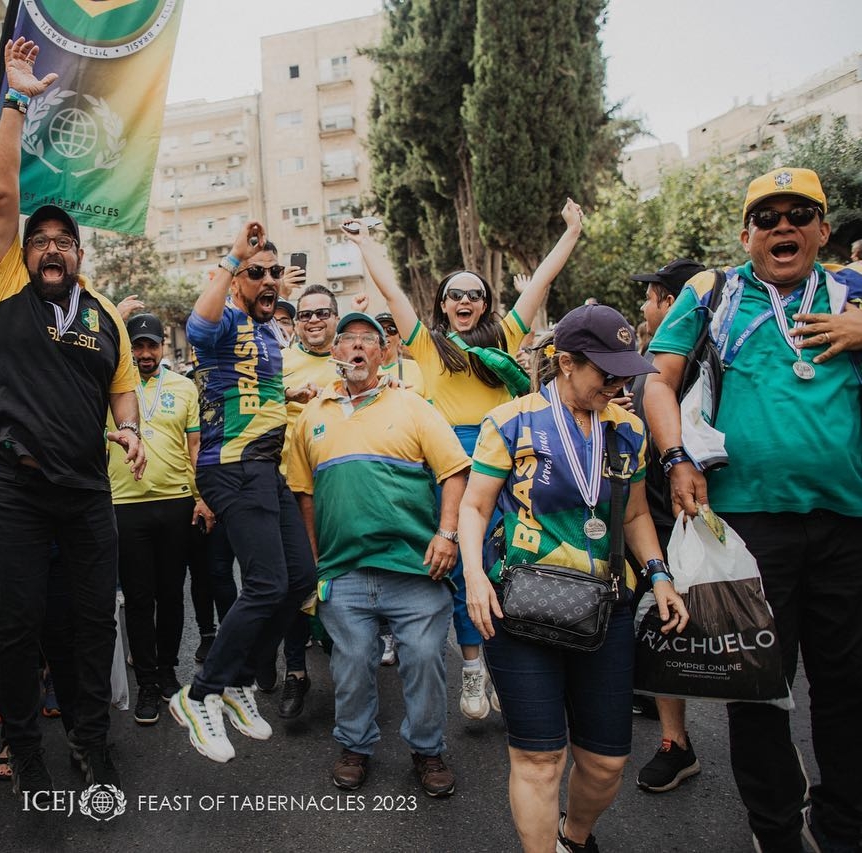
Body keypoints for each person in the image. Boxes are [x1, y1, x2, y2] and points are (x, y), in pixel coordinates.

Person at [644, 167, 862, 853]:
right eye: (766, 218)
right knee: (757, 689)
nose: (783, 227)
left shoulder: (852, 291)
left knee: (847, 689)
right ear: (746, 235)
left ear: (823, 230)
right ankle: (775, 829)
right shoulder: (713, 293)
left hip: (846, 522)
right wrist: (675, 456)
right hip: (745, 528)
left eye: (800, 213)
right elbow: (655, 376)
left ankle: (843, 826)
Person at [459, 303, 688, 853]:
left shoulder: (628, 429)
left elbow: (633, 516)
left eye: (625, 373)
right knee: (539, 760)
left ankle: (574, 837)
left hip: (605, 610)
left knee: (606, 762)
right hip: (520, 608)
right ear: (565, 363)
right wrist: (473, 576)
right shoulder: (511, 421)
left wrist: (658, 574)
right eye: (606, 374)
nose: (618, 384)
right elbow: (474, 507)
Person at [0, 36, 143, 794]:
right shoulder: (3, 283)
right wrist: (16, 99)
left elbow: (122, 383)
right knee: (17, 623)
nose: (49, 248)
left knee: (90, 621)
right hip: (15, 486)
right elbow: (4, 193)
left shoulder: (103, 311)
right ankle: (22, 745)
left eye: (62, 242)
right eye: (40, 240)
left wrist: (132, 426)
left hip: (86, 490)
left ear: (77, 255)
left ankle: (89, 737)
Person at [345, 200, 584, 721]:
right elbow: (392, 292)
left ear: (485, 304)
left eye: (475, 295)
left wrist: (570, 233)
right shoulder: (426, 345)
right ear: (443, 303)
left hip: (507, 465)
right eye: (455, 294)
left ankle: (509, 667)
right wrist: (364, 242)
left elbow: (540, 283)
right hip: (452, 468)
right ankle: (472, 670)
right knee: (460, 567)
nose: (465, 301)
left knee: (513, 563)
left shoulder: (506, 337)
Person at [287, 311, 470, 796]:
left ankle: (428, 752)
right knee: (349, 664)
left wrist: (446, 535)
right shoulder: (311, 417)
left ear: (384, 354)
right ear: (335, 354)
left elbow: (454, 471)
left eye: (370, 341)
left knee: (426, 660)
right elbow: (304, 494)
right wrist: (314, 562)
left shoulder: (414, 407)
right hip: (343, 570)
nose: (359, 349)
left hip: (415, 568)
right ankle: (354, 746)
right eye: (349, 341)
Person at [170, 219, 317, 764]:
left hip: (265, 469)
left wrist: (295, 394)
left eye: (275, 272)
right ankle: (202, 692)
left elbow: (256, 389)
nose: (269, 280)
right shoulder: (224, 319)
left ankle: (238, 681)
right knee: (264, 583)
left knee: (300, 579)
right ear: (236, 282)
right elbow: (197, 322)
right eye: (257, 273)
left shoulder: (269, 333)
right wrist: (234, 258)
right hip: (231, 467)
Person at [626, 258, 708, 794]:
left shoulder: (705, 360)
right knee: (653, 612)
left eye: (652, 296)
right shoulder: (650, 359)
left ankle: (681, 742)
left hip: (695, 510)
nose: (645, 306)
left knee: (697, 618)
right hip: (648, 509)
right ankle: (670, 733)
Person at [110, 313, 213, 726]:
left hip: (176, 503)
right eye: (137, 346)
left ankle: (169, 671)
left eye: (152, 345)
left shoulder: (184, 387)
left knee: (172, 594)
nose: (145, 353)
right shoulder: (111, 387)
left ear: (163, 347)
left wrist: (202, 497)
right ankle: (148, 683)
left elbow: (195, 446)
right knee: (137, 598)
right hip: (124, 503)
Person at [271, 284, 342, 717]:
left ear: (336, 317)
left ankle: (351, 673)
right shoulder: (280, 363)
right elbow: (254, 403)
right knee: (295, 582)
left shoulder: (352, 358)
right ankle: (295, 673)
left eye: (321, 313)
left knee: (344, 581)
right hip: (290, 490)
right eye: (305, 315)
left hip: (344, 490)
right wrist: (284, 395)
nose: (313, 320)